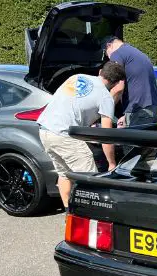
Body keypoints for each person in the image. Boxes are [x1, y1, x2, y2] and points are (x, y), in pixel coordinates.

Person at [36, 62, 126, 209]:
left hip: (45, 130)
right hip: (64, 135)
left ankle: (68, 211)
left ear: (100, 71)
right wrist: (111, 163)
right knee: (89, 179)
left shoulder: (77, 77)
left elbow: (76, 103)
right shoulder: (105, 97)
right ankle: (92, 214)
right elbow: (106, 135)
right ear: (116, 83)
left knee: (64, 174)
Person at [103, 37, 157, 127]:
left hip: (139, 112)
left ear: (109, 45)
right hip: (153, 110)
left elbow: (118, 88)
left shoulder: (117, 54)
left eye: (107, 54)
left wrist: (104, 111)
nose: (109, 58)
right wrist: (126, 117)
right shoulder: (136, 53)